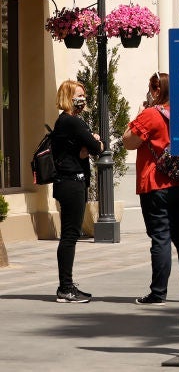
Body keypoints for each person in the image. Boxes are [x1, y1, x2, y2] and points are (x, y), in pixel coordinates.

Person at [122, 72, 179, 305]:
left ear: (157, 90)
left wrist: (140, 113)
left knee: (160, 237)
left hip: (156, 184)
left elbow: (128, 142)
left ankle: (158, 293)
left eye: (152, 87)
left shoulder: (150, 115)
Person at [51, 79, 103, 303]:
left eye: (83, 95)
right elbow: (96, 148)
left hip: (70, 182)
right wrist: (95, 142)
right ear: (67, 97)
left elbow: (84, 150)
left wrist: (87, 147)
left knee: (70, 235)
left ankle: (67, 285)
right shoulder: (71, 122)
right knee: (70, 235)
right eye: (78, 95)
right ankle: (66, 287)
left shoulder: (66, 122)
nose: (82, 99)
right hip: (71, 183)